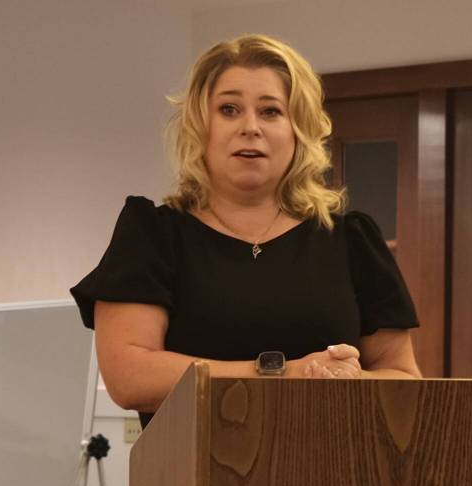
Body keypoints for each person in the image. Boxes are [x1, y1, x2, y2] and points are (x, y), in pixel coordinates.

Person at [70, 35, 421, 426]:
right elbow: (130, 377)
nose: (250, 127)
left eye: (271, 112)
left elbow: (403, 377)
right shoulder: (153, 235)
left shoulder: (351, 240)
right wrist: (283, 373)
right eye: (229, 109)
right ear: (201, 126)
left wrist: (350, 378)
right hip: (192, 480)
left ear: (298, 130)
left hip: (337, 475)